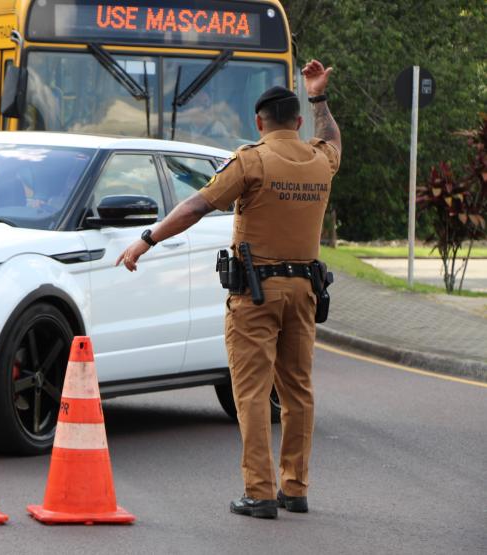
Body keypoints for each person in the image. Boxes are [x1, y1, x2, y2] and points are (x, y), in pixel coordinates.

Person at [116, 60, 341, 519]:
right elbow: (335, 138)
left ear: (259, 122)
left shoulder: (251, 160)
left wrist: (146, 239)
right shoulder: (320, 159)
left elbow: (196, 205)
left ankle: (259, 493)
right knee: (298, 392)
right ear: (297, 122)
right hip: (304, 291)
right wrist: (319, 95)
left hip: (255, 295)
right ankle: (295, 488)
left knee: (253, 393)